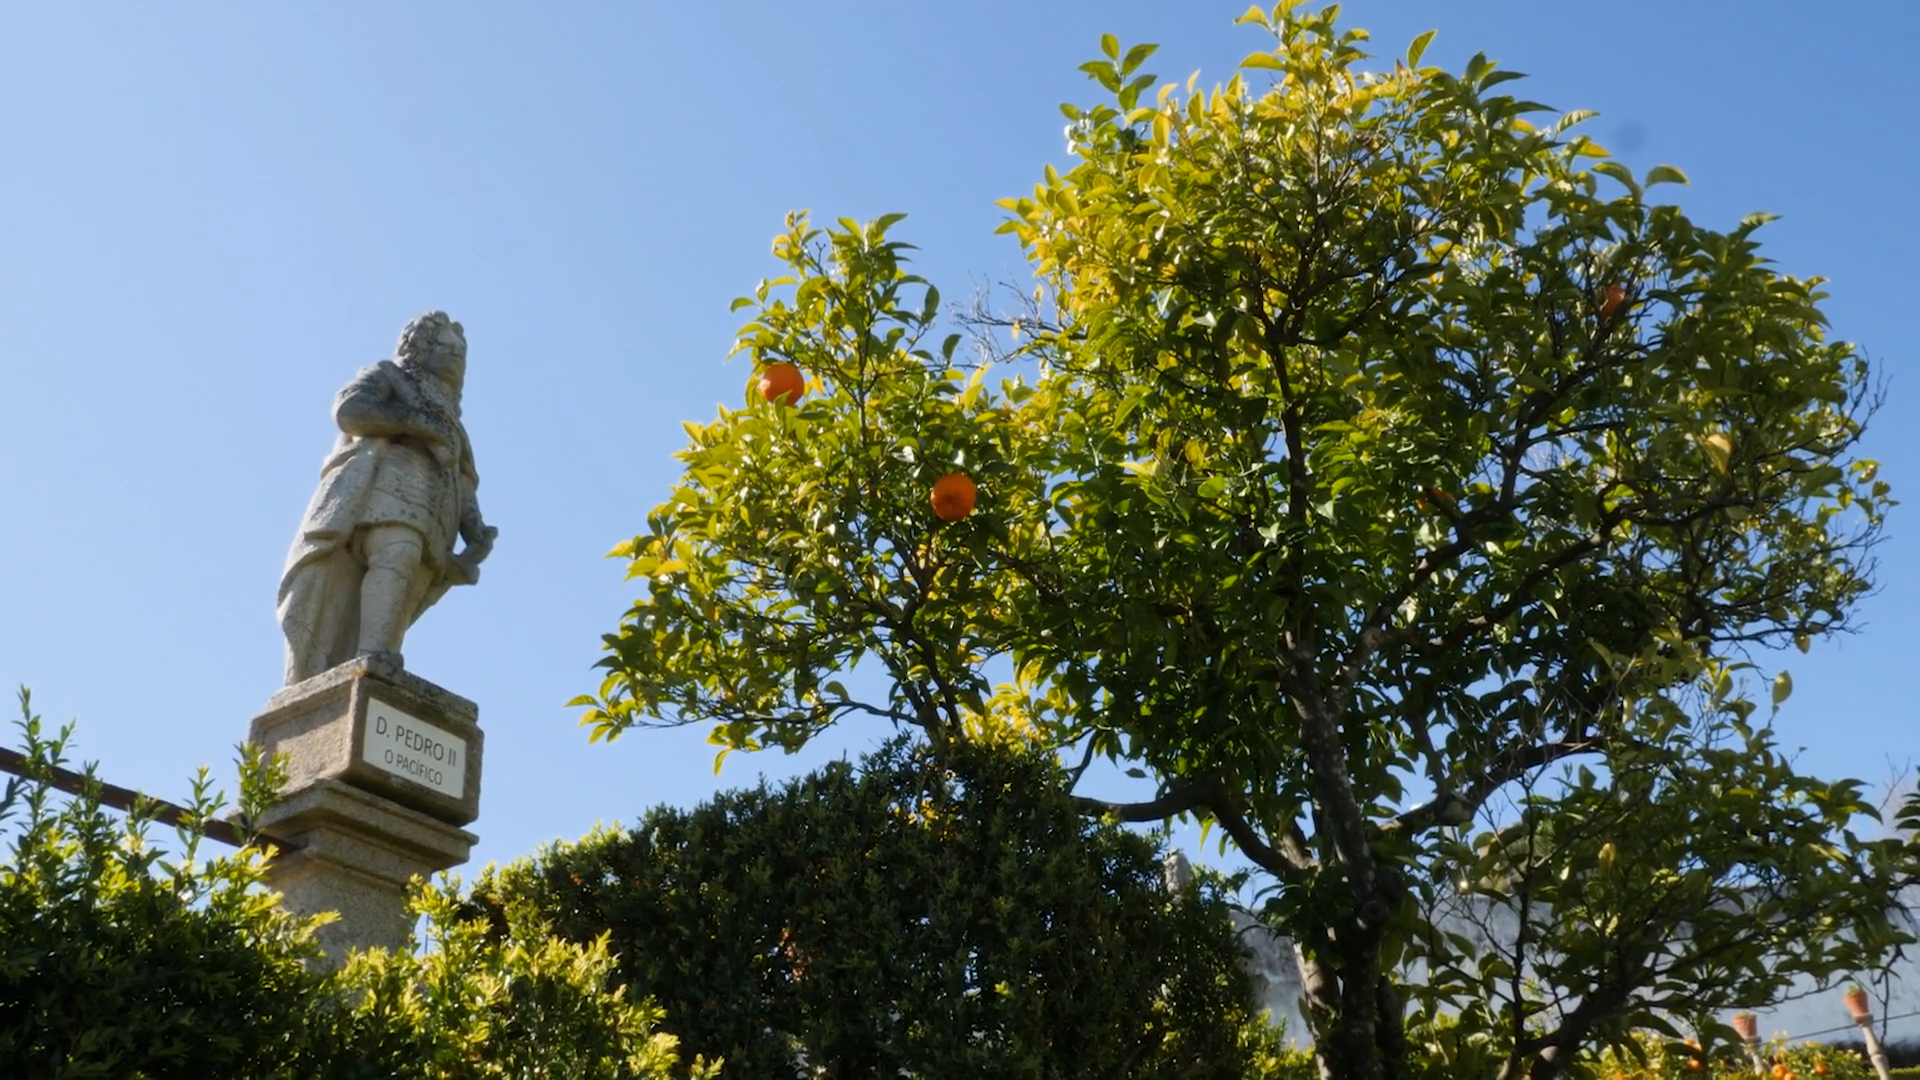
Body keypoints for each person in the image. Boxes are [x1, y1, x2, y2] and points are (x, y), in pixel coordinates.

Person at [277, 311, 497, 685]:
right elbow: (350, 410)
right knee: (398, 551)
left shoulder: (453, 423)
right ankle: (374, 656)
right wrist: (417, 422)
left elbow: (462, 480)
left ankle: (377, 661)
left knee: (408, 581)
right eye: (447, 347)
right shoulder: (389, 377)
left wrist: (475, 531)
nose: (457, 358)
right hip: (382, 494)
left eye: (462, 353)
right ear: (421, 347)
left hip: (436, 519)